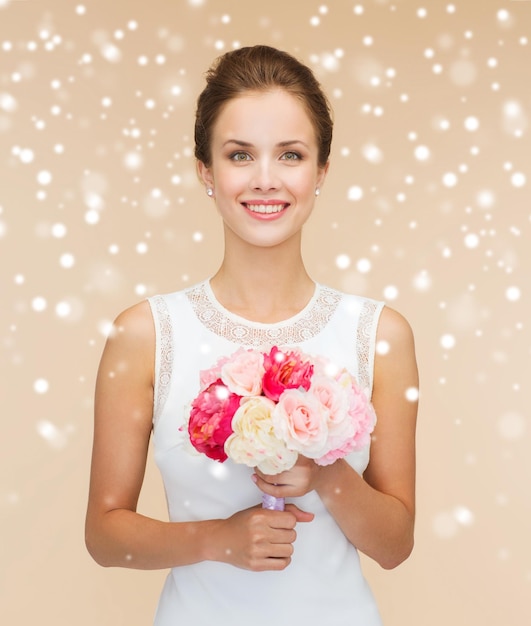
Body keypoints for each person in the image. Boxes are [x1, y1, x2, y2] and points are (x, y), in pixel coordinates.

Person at [85, 45, 418, 625]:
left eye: (290, 155)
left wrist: (325, 472)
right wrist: (216, 539)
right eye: (240, 155)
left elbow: (394, 547)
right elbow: (104, 536)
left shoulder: (379, 335)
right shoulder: (145, 335)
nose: (266, 180)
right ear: (206, 172)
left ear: (321, 172)